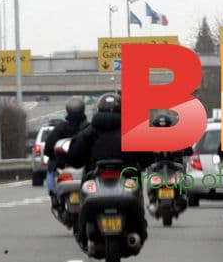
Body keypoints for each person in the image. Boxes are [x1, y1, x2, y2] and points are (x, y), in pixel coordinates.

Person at [66, 92, 156, 245]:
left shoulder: (89, 132)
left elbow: (74, 156)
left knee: (83, 204)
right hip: (127, 184)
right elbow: (147, 157)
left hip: (95, 185)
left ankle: (83, 234)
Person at [43, 97, 89, 208]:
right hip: (83, 164)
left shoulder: (60, 128)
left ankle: (53, 195)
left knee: (50, 169)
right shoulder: (88, 128)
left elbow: (48, 148)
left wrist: (56, 156)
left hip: (63, 164)